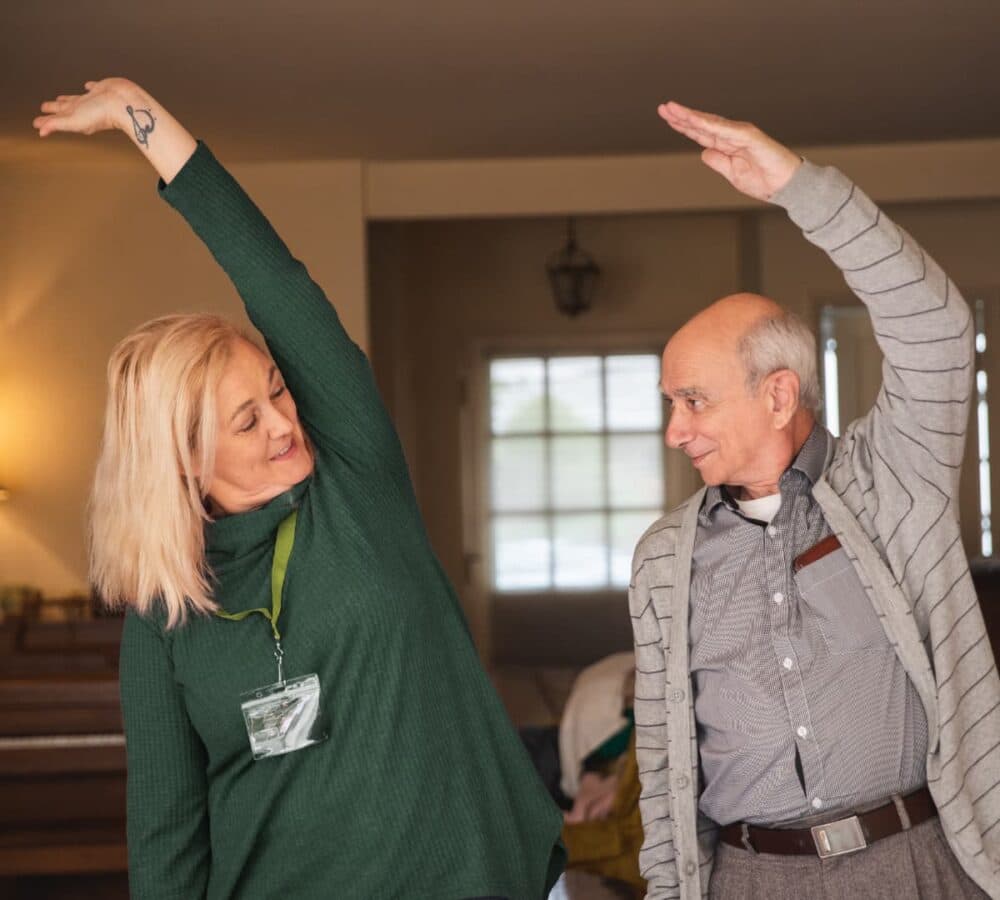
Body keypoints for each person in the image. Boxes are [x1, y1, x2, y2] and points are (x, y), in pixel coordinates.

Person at [34, 78, 564, 900]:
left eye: (277, 389)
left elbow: (272, 277)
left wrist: (142, 116)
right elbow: (167, 832)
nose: (284, 423)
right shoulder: (164, 607)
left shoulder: (355, 480)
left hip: (479, 877)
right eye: (246, 423)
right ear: (184, 461)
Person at [629, 102, 1000, 899]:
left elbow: (936, 330)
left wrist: (800, 189)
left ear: (778, 393)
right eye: (669, 404)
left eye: (693, 401)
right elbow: (661, 762)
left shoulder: (894, 477)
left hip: (917, 863)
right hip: (750, 877)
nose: (674, 430)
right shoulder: (664, 557)